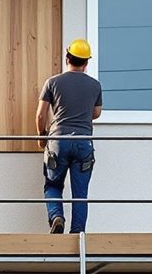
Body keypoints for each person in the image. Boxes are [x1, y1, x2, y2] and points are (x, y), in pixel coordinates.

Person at [37, 39, 103, 234]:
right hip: (83, 143)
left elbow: (41, 114)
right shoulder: (94, 85)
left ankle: (56, 215)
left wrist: (42, 136)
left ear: (67, 58)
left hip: (58, 141)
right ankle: (77, 235)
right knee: (80, 194)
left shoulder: (53, 82)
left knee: (53, 184)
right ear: (86, 63)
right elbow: (96, 113)